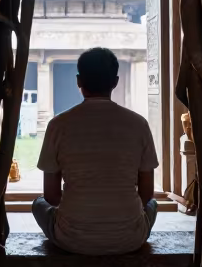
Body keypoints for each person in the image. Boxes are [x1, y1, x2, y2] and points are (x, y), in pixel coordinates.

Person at [33, 47, 159, 254]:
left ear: (79, 81)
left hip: (71, 238)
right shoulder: (138, 124)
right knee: (153, 204)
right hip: (130, 238)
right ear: (115, 82)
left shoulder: (58, 125)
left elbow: (51, 196)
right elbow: (146, 194)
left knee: (38, 204)